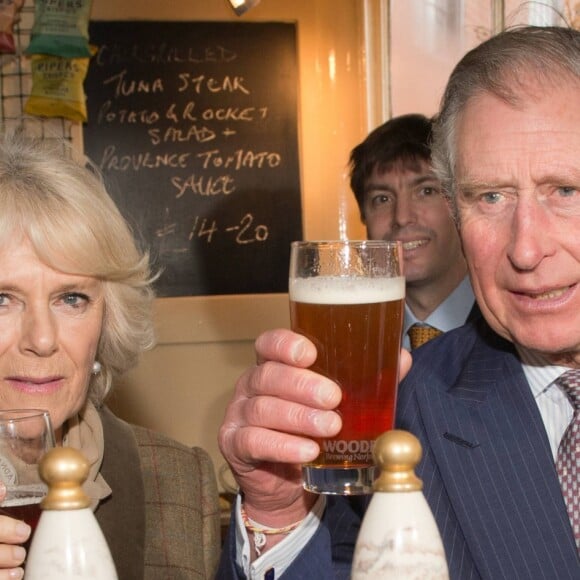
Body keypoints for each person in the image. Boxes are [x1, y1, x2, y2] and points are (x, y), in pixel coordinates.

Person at [217, 24, 580, 579]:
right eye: (490, 196)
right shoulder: (399, 415)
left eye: (565, 191)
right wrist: (279, 513)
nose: (526, 249)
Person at [0, 134, 220, 579]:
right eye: (1, 299)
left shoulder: (179, 480)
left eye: (72, 299)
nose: (42, 340)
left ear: (107, 320)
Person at [348, 114, 477, 349]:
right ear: (363, 217)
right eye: (382, 198)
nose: (402, 217)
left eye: (426, 191)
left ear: (461, 203)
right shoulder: (351, 341)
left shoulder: (516, 328)